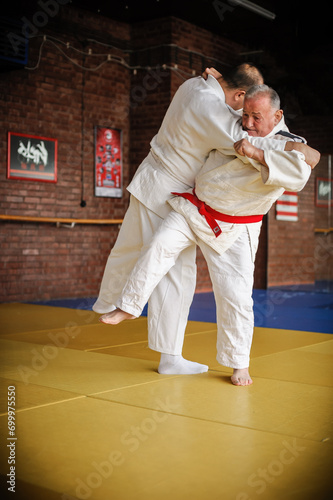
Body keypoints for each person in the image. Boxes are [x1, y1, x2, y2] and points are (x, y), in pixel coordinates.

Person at [97, 85, 320, 386]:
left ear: (277, 115)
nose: (248, 123)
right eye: (245, 115)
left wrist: (257, 152)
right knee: (158, 246)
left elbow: (301, 173)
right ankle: (129, 305)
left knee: (235, 295)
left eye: (256, 117)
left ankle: (239, 363)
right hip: (196, 207)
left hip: (236, 228)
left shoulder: (289, 143)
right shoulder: (231, 127)